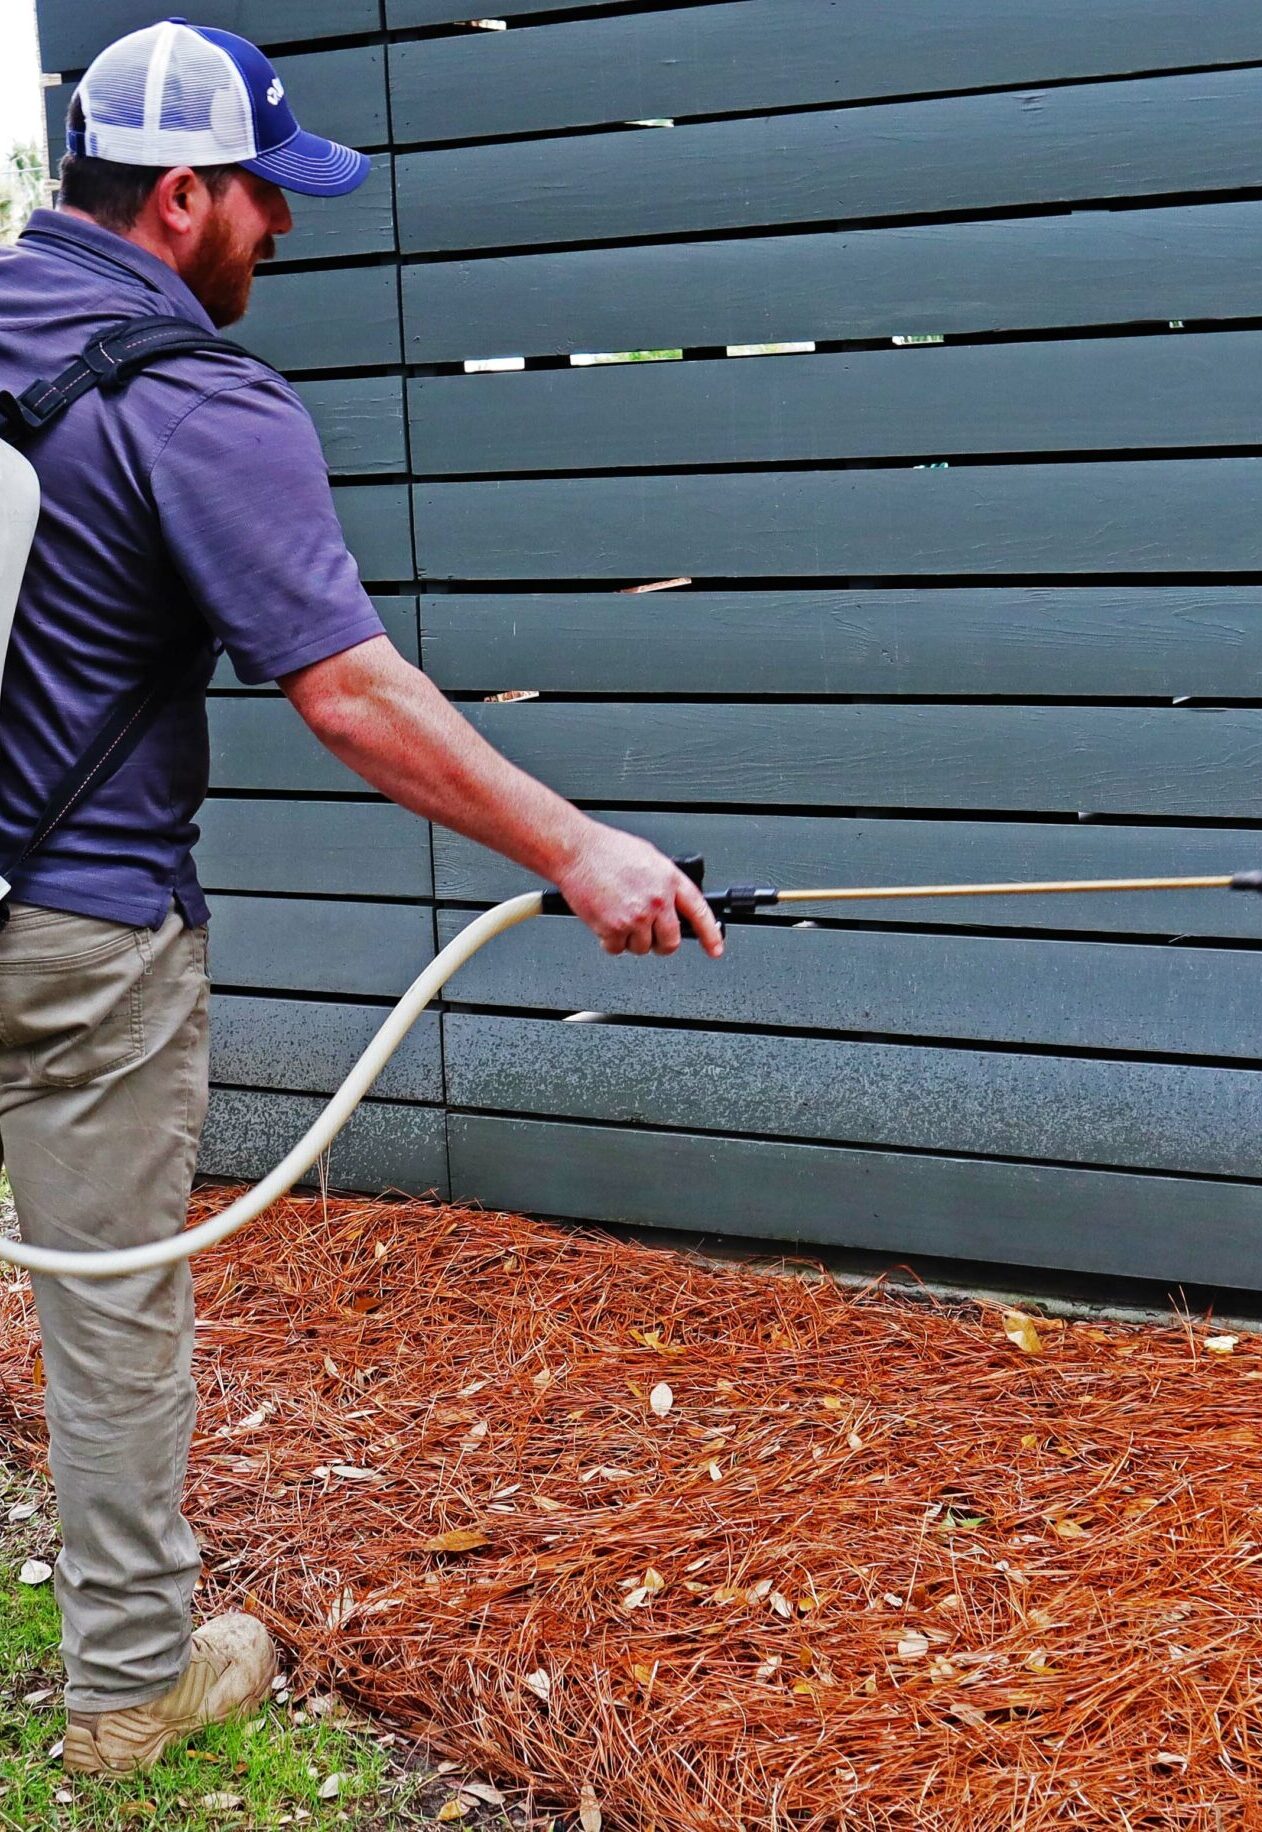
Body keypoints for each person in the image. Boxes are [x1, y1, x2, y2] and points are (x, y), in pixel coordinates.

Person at [0, 18, 721, 1775]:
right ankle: (127, 1690)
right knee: (106, 1297)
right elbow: (349, 694)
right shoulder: (193, 398)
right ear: (180, 197)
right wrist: (581, 851)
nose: (284, 230)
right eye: (262, 195)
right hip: (79, 935)